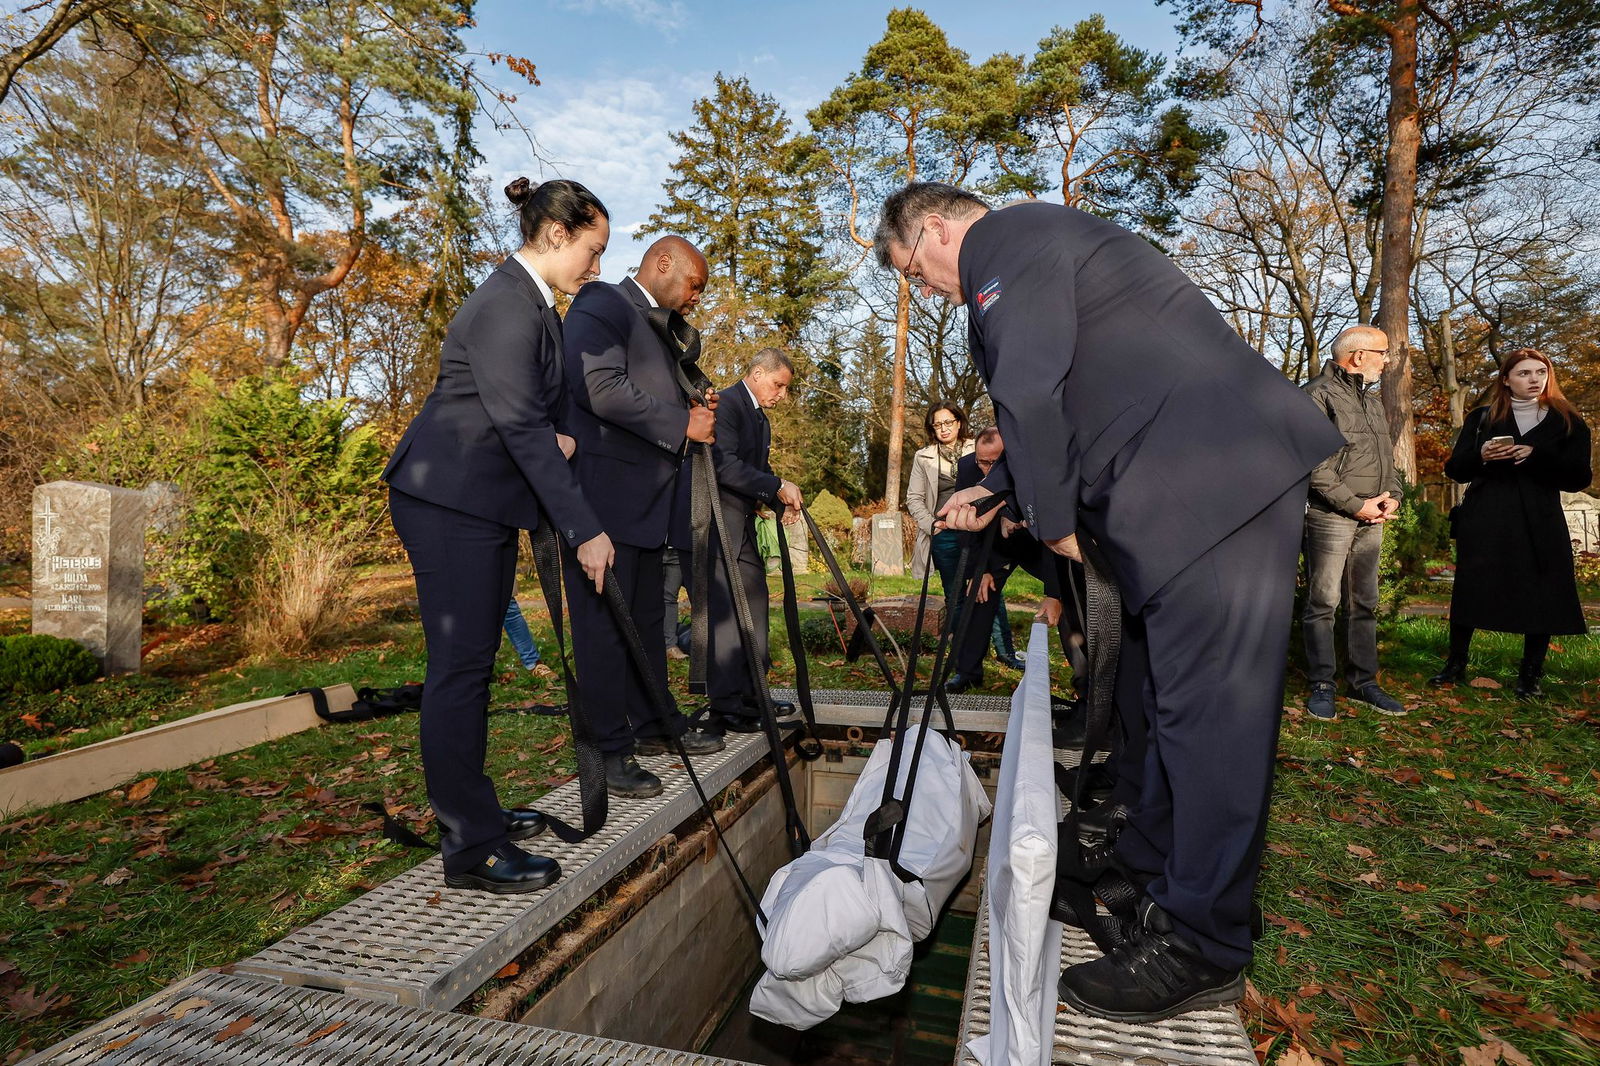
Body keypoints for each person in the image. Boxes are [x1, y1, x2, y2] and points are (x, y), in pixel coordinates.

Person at [878, 182, 1343, 1022]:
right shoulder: (1041, 249)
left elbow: (1028, 391)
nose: (924, 291)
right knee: (1166, 704)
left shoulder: (1005, 247)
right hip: (1187, 486)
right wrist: (996, 490)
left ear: (936, 231)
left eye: (914, 271)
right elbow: (1073, 389)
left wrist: (1052, 523)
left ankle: (1206, 941)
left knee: (1212, 717)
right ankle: (1152, 875)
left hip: (1210, 481)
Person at [383, 177, 615, 894]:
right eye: (592, 249)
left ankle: (473, 812)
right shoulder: (506, 307)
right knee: (460, 672)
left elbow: (530, 414)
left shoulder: (533, 307)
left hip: (474, 504)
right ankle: (470, 848)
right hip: (448, 503)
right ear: (556, 234)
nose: (596, 267)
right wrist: (584, 528)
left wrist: (561, 441)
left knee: (471, 669)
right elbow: (518, 424)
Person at [562, 235, 724, 800]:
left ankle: (656, 724)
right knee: (604, 628)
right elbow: (600, 388)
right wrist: (681, 424)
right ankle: (608, 750)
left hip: (650, 504)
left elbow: (648, 388)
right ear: (662, 264)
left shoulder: (661, 327)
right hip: (605, 499)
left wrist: (694, 400)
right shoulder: (603, 302)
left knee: (648, 623)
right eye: (693, 284)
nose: (695, 297)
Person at [1431, 347, 1592, 698]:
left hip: (1540, 517)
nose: (1534, 379)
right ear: (1506, 379)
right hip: (1487, 515)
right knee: (1473, 587)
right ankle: (1455, 664)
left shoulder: (1569, 421)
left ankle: (1530, 675)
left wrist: (1537, 456)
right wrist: (1482, 456)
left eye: (1540, 372)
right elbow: (1455, 470)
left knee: (1542, 589)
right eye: (1524, 373)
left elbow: (1579, 478)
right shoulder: (1482, 418)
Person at [1300, 326, 1406, 720]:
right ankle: (1322, 684)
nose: (1387, 360)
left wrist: (1391, 497)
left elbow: (1387, 462)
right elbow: (1315, 465)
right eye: (1383, 352)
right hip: (1330, 516)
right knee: (1323, 602)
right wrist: (1355, 505)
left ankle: (1364, 682)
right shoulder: (1316, 396)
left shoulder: (1373, 403)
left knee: (1365, 603)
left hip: (1372, 516)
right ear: (1358, 356)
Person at [703, 348, 805, 732]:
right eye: (778, 384)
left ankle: (753, 693)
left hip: (741, 520)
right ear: (758, 373)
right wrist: (776, 486)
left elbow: (759, 472)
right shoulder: (725, 404)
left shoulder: (760, 419)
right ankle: (726, 704)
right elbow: (723, 464)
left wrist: (780, 502)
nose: (781, 394)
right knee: (728, 612)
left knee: (756, 601)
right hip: (716, 521)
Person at [947, 427, 1033, 693]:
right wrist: (978, 570)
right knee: (979, 594)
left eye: (994, 463)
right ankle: (968, 672)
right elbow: (967, 524)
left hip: (1035, 537)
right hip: (992, 543)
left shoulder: (1026, 461)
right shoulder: (966, 466)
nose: (987, 469)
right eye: (982, 462)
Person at [906, 402, 975, 616]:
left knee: (986, 591)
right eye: (937, 425)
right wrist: (932, 525)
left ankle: (1003, 650)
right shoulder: (923, 457)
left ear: (959, 422)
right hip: (944, 534)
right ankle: (957, 646)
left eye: (948, 422)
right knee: (954, 596)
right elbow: (914, 498)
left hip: (977, 532)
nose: (943, 429)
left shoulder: (978, 448)